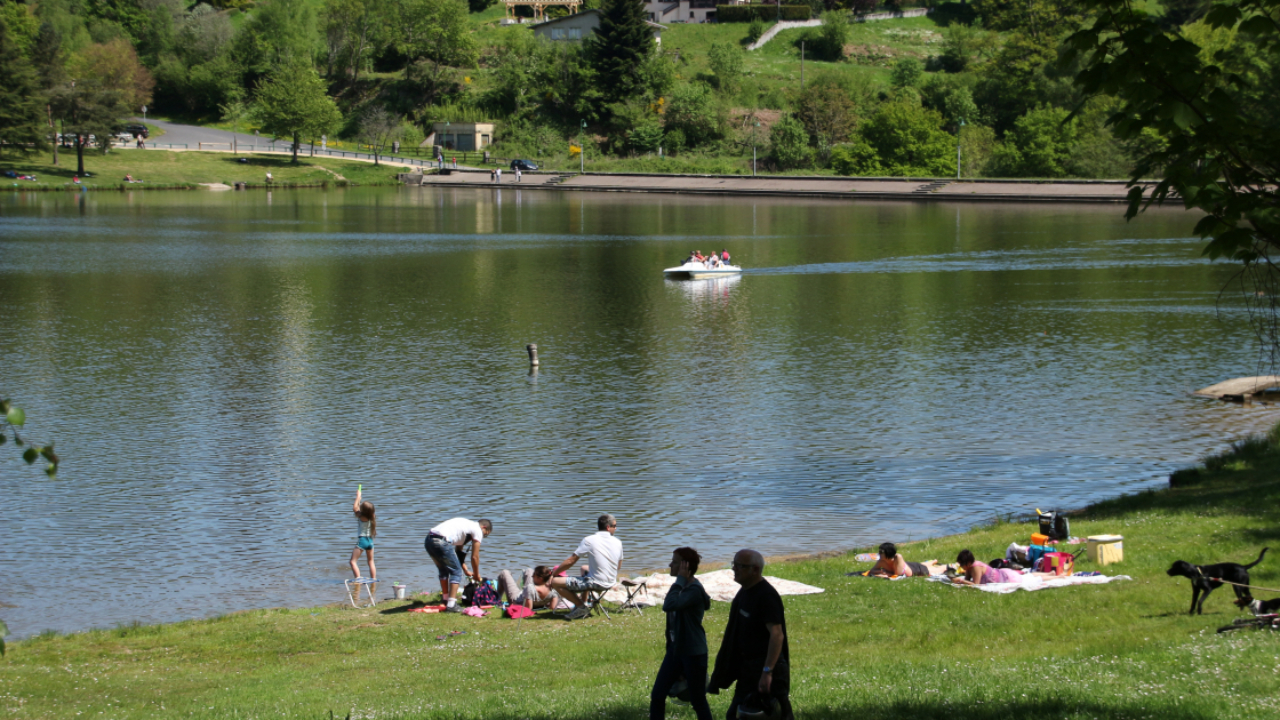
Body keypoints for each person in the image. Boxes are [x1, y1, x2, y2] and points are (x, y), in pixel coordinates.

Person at [709, 549, 794, 720]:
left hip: (769, 670)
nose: (734, 569)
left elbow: (777, 635)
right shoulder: (744, 592)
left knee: (778, 715)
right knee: (735, 714)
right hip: (747, 669)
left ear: (755, 569)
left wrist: (767, 672)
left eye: (740, 566)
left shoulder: (766, 596)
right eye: (734, 565)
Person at [650, 547, 713, 720]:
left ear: (685, 567)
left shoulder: (692, 589)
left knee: (697, 699)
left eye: (675, 562)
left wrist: (679, 581)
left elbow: (669, 605)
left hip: (693, 652)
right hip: (676, 651)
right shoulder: (680, 587)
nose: (670, 564)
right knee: (657, 695)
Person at [548, 513, 623, 620]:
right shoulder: (618, 542)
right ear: (608, 527)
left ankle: (581, 606)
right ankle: (584, 602)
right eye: (615, 526)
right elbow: (618, 566)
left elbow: (570, 561)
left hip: (597, 583)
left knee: (555, 582)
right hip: (611, 581)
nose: (616, 528)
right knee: (584, 568)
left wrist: (553, 574)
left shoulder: (589, 540)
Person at [424, 517, 493, 613]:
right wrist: (476, 574)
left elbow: (458, 554)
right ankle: (451, 605)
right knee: (456, 572)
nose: (482, 537)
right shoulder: (477, 529)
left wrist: (466, 570)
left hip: (429, 540)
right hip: (441, 542)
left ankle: (445, 599)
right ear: (483, 527)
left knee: (443, 570)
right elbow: (475, 557)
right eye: (485, 534)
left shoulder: (466, 527)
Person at [496, 566, 564, 610]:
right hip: (530, 595)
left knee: (504, 573)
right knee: (529, 570)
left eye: (534, 576)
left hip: (516, 599)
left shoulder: (530, 588)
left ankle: (497, 599)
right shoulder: (554, 589)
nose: (532, 576)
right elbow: (552, 607)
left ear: (539, 579)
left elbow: (528, 609)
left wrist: (508, 607)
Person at [953, 548, 1024, 586]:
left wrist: (961, 580)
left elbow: (976, 585)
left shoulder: (976, 568)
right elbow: (967, 580)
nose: (961, 566)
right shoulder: (968, 568)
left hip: (1004, 577)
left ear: (968, 563)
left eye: (962, 564)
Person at [348, 487, 376, 580]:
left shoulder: (361, 516)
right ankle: (373, 579)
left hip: (362, 541)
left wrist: (358, 496)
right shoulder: (372, 516)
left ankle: (358, 578)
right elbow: (359, 509)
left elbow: (355, 508)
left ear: (362, 511)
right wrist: (360, 500)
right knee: (371, 562)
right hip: (370, 541)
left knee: (353, 561)